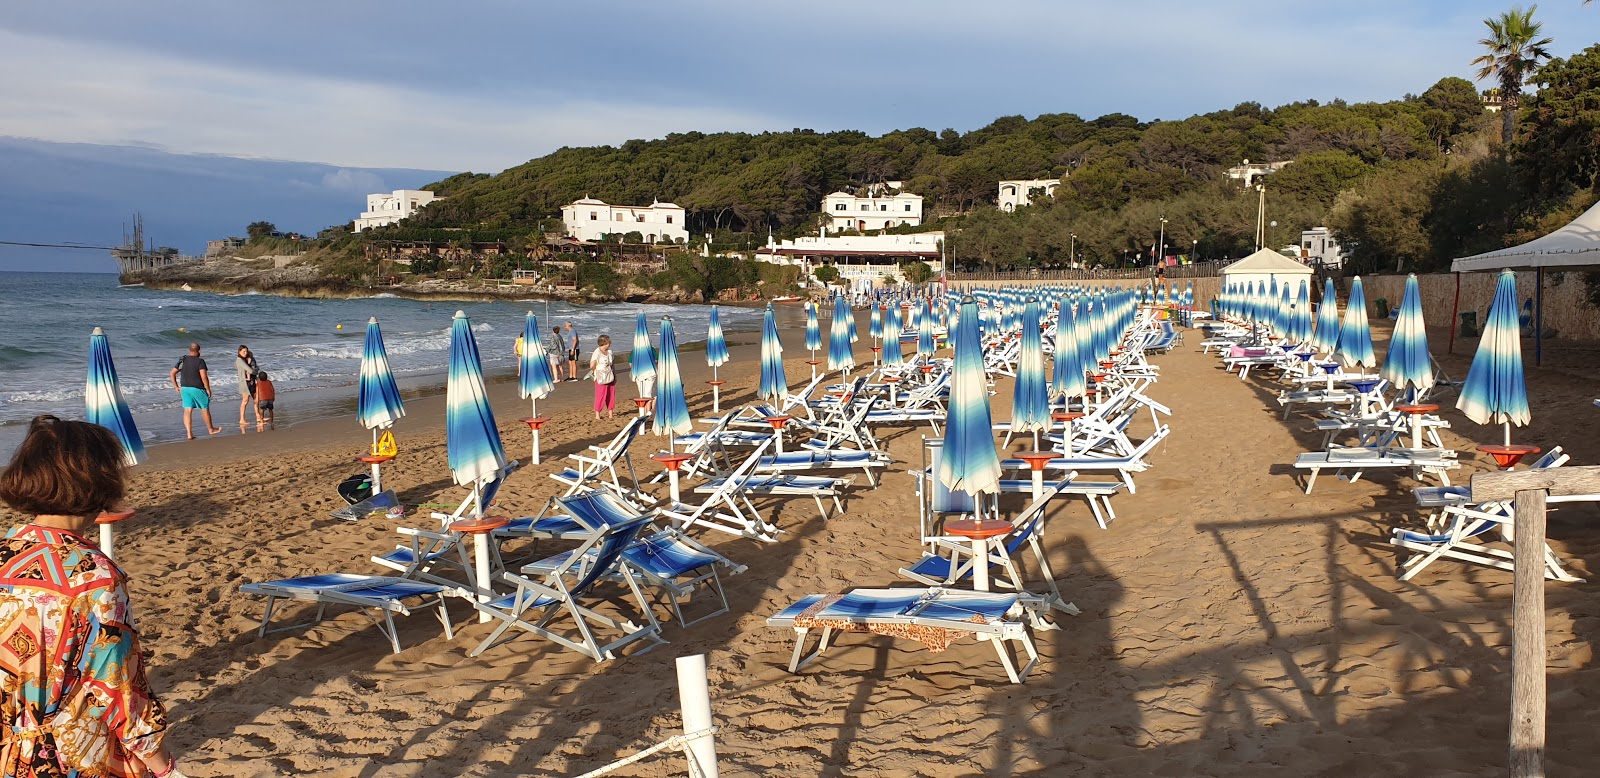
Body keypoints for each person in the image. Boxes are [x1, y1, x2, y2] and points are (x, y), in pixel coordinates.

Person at [0, 416, 185, 778]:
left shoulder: (4, 555)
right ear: (98, 480)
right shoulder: (93, 576)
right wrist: (163, 765)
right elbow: (117, 687)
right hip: (69, 753)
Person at [169, 343, 221, 439]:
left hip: (184, 388)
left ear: (189, 350)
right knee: (204, 408)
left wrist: (176, 386)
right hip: (197, 388)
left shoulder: (183, 360)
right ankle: (211, 429)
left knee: (187, 410)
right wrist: (208, 389)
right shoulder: (200, 361)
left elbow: (172, 373)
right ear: (199, 351)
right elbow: (204, 377)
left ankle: (189, 434)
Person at [234, 345, 260, 433]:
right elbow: (251, 370)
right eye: (243, 352)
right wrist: (256, 368)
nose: (245, 353)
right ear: (239, 352)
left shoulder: (244, 360)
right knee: (245, 401)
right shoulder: (239, 360)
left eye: (246, 351)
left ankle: (258, 416)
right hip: (245, 383)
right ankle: (242, 419)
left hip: (251, 382)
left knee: (256, 399)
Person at [589, 334, 616, 420]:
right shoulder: (597, 352)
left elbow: (612, 365)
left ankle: (610, 413)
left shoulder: (610, 352)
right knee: (600, 395)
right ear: (604, 343)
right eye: (608, 342)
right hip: (601, 376)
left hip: (610, 375)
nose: (609, 344)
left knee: (611, 394)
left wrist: (615, 375)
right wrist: (596, 372)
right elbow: (592, 365)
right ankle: (597, 414)